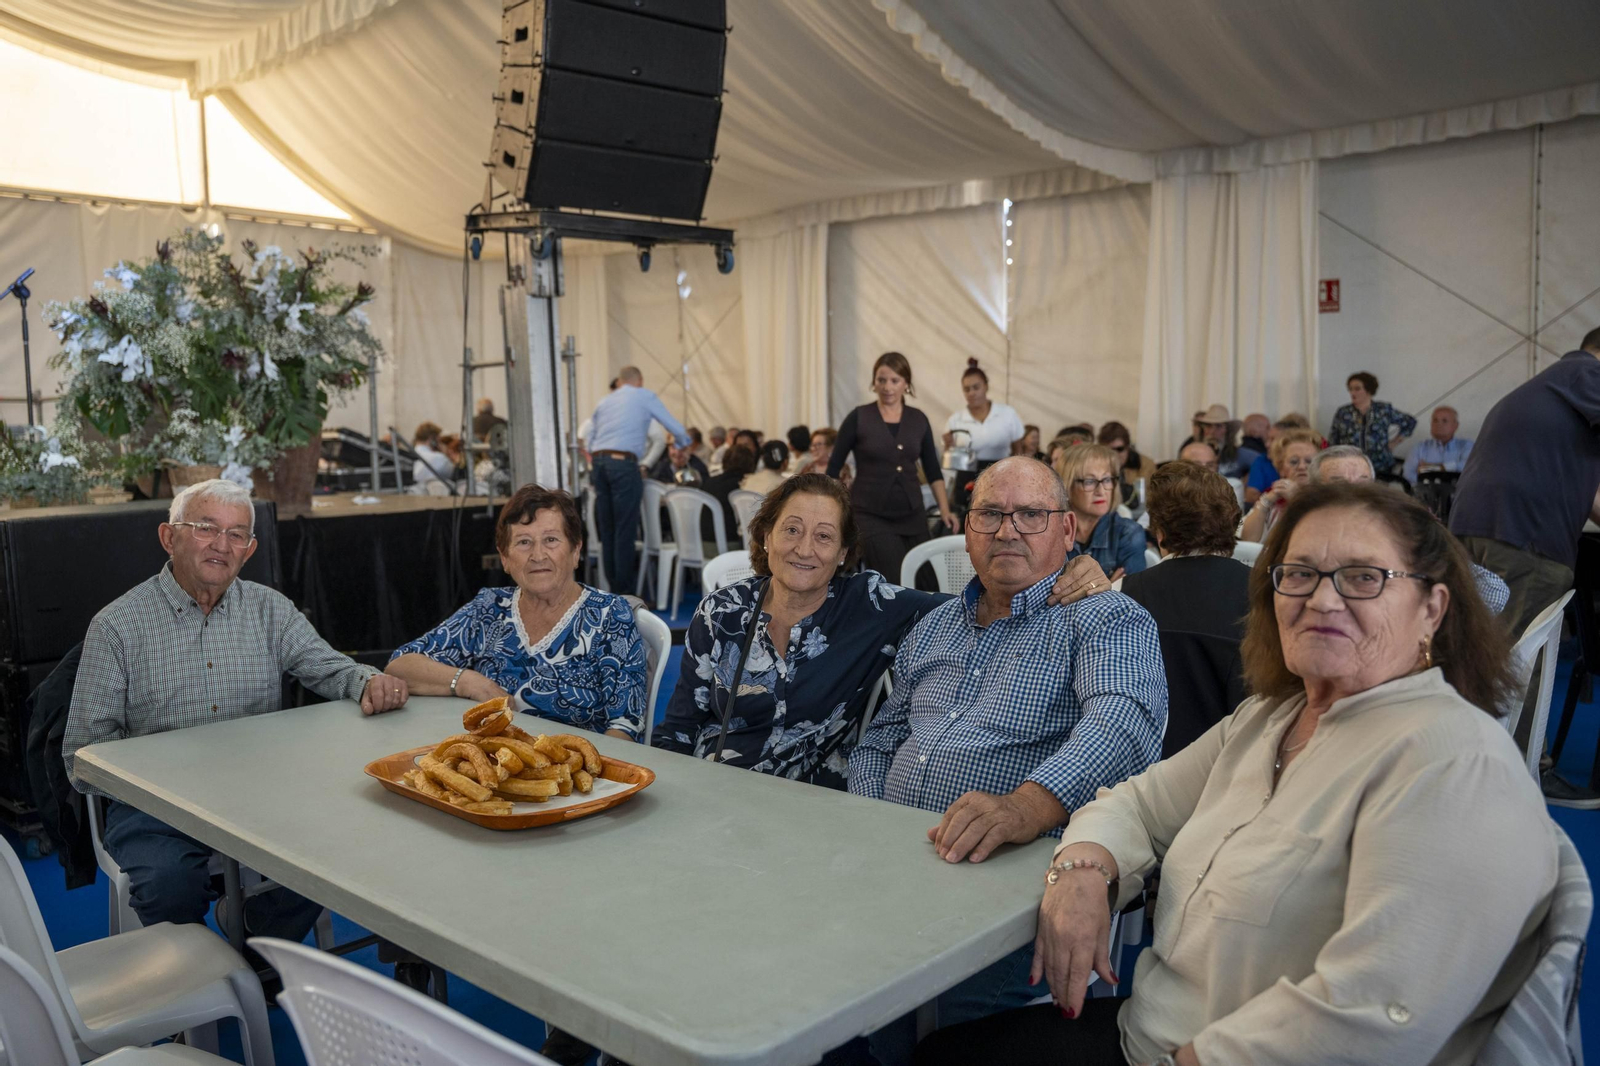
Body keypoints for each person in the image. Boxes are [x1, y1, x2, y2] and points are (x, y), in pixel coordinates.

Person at [916, 482, 1556, 1066]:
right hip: (1146, 1033)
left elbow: (1379, 1015)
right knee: (938, 1054)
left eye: (1363, 577)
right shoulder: (1268, 720)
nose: (1321, 598)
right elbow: (1136, 804)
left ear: (1432, 609)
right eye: (1298, 574)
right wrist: (1083, 869)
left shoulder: (1456, 764)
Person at [850, 456, 1165, 1061]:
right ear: (966, 529)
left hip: (1008, 879)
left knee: (937, 1031)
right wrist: (869, 822)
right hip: (889, 863)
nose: (1007, 530)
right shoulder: (935, 625)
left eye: (1030, 515)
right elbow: (882, 737)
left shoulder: (1105, 618)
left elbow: (1124, 725)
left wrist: (1025, 807)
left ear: (1066, 530)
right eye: (990, 514)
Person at [64, 480, 408, 948]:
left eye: (236, 534)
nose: (221, 545)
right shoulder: (117, 626)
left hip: (261, 793)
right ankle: (196, 979)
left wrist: (369, 682)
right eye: (206, 528)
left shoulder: (270, 610)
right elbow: (83, 752)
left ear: (250, 549)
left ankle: (255, 935)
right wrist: (153, 778)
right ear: (169, 537)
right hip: (157, 805)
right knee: (169, 884)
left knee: (340, 843)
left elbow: (330, 668)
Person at [655, 474, 946, 787]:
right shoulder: (721, 611)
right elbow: (678, 729)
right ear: (767, 535)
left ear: (843, 553)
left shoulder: (869, 606)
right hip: (717, 787)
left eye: (824, 536)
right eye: (792, 530)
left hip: (814, 802)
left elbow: (964, 608)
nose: (805, 549)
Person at [387, 484, 647, 738]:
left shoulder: (610, 616)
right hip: (494, 759)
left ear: (575, 551)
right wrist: (467, 681)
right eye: (524, 542)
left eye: (551, 540)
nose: (538, 555)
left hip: (578, 763)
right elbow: (401, 665)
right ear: (505, 558)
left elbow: (626, 726)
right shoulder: (489, 609)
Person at [1452, 329, 1600, 638]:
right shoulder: (1588, 373)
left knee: (1476, 646)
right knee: (1515, 655)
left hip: (1475, 526)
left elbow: (1588, 496)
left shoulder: (1554, 387)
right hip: (1525, 535)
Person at [1119, 461, 1250, 757]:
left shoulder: (1122, 595)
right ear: (1233, 522)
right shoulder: (1269, 594)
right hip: (1240, 760)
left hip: (1143, 766)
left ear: (1159, 531)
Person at [1312, 446, 1510, 615]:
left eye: (1363, 483)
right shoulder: (1305, 542)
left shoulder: (1404, 532)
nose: (1355, 494)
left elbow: (1494, 593)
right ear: (1313, 494)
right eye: (1339, 485)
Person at [827, 352, 957, 580]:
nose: (887, 387)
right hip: (870, 514)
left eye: (894, 380)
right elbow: (833, 468)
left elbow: (933, 471)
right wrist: (831, 510)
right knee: (895, 578)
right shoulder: (859, 417)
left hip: (913, 514)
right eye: (881, 380)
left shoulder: (918, 419)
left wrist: (945, 510)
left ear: (906, 383)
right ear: (874, 382)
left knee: (928, 579)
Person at [585, 366, 690, 592]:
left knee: (608, 530)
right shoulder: (644, 396)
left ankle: (612, 590)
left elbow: (589, 436)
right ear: (640, 380)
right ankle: (624, 594)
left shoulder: (605, 401)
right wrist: (683, 443)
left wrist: (597, 458)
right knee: (625, 529)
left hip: (599, 464)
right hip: (623, 464)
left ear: (620, 381)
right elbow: (675, 428)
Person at [1056, 444, 1148, 578]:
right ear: (1067, 485)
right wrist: (1109, 587)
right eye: (1089, 481)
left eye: (1107, 480)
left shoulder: (1128, 533)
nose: (1101, 491)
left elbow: (1131, 591)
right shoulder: (1051, 532)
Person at [943, 359, 1025, 497]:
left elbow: (1018, 450)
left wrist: (1019, 477)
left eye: (976, 387)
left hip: (1001, 477)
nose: (971, 393)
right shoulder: (955, 420)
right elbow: (949, 459)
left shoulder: (1007, 414)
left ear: (986, 386)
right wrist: (948, 446)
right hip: (966, 481)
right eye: (967, 389)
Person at [1239, 427, 1320, 543]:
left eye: (1309, 461)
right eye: (1294, 462)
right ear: (1281, 468)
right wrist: (1266, 501)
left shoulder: (1327, 498)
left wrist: (1295, 499)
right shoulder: (1273, 494)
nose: (1302, 466)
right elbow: (1248, 540)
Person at [1330, 371, 1417, 478]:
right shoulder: (1343, 413)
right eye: (1350, 389)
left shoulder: (1383, 410)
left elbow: (1410, 422)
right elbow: (1333, 439)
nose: (1352, 393)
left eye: (1357, 389)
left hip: (1380, 466)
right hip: (1351, 468)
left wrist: (1394, 442)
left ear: (1368, 390)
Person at [1244, 413, 1312, 504]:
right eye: (1294, 462)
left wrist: (1295, 496)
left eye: (1273, 439)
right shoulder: (1261, 460)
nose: (1267, 444)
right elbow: (1251, 496)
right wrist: (1271, 497)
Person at [1404, 405, 1474, 483]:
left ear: (1455, 425)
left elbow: (1470, 467)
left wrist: (1433, 468)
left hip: (1459, 490)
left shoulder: (1466, 445)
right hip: (1425, 490)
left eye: (1444, 421)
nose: (1438, 424)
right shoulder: (1419, 447)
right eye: (1435, 420)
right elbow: (1408, 475)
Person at [1097, 421, 1156, 503]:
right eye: (1110, 451)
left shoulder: (1145, 465)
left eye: (1120, 449)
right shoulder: (1095, 465)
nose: (1115, 454)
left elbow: (1152, 497)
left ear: (1128, 447)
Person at [1183, 405, 1247, 477]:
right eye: (1208, 426)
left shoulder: (1241, 455)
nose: (1212, 432)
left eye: (1218, 426)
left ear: (1228, 430)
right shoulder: (1190, 452)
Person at [411, 421, 455, 494]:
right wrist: (445, 453)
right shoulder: (439, 458)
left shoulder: (411, 454)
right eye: (438, 439)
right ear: (432, 439)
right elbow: (452, 473)